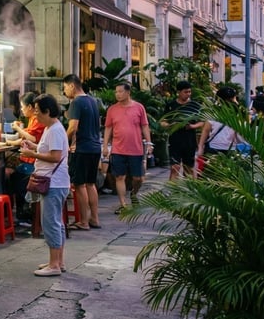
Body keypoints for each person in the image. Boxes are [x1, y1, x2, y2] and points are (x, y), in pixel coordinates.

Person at [20, 94, 69, 276]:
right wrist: (33, 148)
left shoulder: (55, 130)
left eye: (39, 112)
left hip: (54, 183)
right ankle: (58, 261)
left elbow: (55, 157)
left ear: (48, 112)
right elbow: (48, 151)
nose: (36, 116)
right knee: (57, 223)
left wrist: (32, 155)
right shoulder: (51, 128)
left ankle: (54, 265)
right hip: (56, 182)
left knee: (51, 223)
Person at [102, 82, 152, 212]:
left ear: (128, 92)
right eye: (116, 92)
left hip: (136, 148)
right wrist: (106, 146)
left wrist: (149, 142)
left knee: (138, 178)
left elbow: (144, 126)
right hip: (118, 148)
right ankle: (123, 204)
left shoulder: (139, 108)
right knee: (119, 177)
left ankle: (134, 194)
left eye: (120, 91)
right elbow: (108, 128)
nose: (117, 94)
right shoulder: (112, 109)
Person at [62, 74, 103, 229]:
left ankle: (84, 221)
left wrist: (63, 140)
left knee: (79, 185)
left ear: (72, 86)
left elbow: (73, 127)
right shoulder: (92, 101)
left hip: (82, 149)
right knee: (91, 184)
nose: (65, 91)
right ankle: (95, 219)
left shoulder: (76, 103)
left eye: (65, 87)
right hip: (94, 148)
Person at [3, 92, 44, 223]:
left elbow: (32, 138)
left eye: (22, 106)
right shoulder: (33, 120)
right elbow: (23, 138)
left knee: (13, 177)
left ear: (30, 107)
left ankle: (23, 213)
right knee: (11, 173)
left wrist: (17, 129)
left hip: (34, 162)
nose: (21, 109)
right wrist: (9, 141)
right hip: (31, 159)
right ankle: (19, 211)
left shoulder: (37, 120)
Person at [163, 81, 203, 180]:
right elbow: (163, 121)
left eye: (189, 92)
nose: (188, 94)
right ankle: (173, 192)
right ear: (179, 92)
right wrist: (170, 125)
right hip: (175, 140)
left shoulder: (195, 105)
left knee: (188, 168)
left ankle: (190, 192)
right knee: (175, 167)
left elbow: (203, 122)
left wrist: (193, 126)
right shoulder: (171, 105)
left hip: (189, 140)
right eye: (186, 92)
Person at [197, 86, 245, 160]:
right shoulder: (214, 113)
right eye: (231, 99)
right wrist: (200, 147)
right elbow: (206, 130)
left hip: (230, 149)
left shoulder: (238, 113)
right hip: (214, 149)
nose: (233, 101)